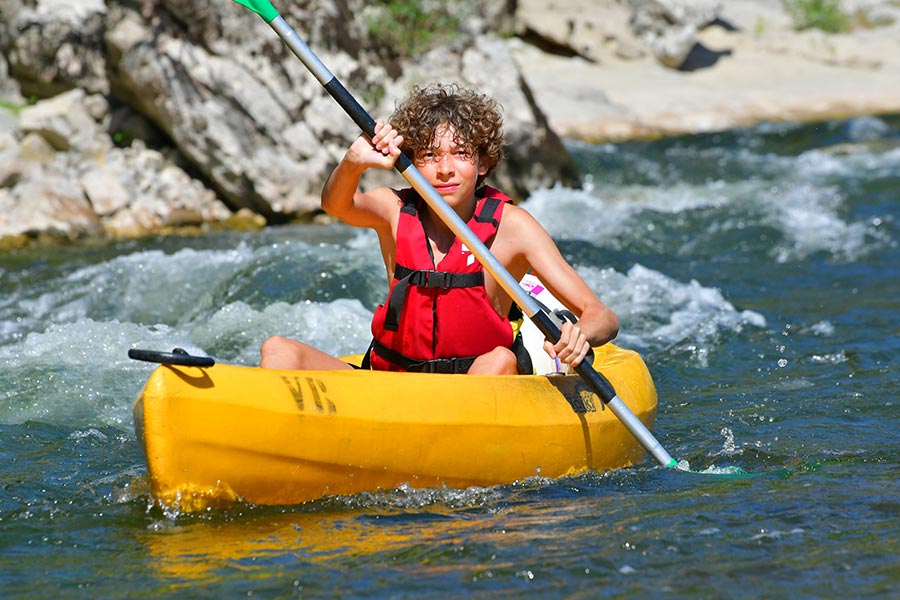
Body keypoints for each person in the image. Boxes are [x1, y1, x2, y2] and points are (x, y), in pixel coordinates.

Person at [260, 83, 618, 375]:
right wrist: (353, 163)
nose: (444, 169)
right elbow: (336, 205)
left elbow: (601, 316)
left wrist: (579, 335)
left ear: (483, 163)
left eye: (461, 153)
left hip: (476, 387)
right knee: (278, 350)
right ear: (411, 162)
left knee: (499, 362)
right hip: (395, 383)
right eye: (430, 155)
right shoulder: (394, 209)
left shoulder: (514, 227)